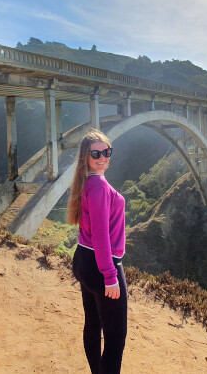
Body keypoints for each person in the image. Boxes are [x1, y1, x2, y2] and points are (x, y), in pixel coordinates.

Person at [68, 129, 127, 374]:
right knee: (115, 338)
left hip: (83, 259)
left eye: (107, 152)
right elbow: (102, 237)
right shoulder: (99, 187)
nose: (103, 157)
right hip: (102, 264)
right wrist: (110, 276)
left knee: (93, 324)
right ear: (86, 157)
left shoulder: (87, 183)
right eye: (96, 153)